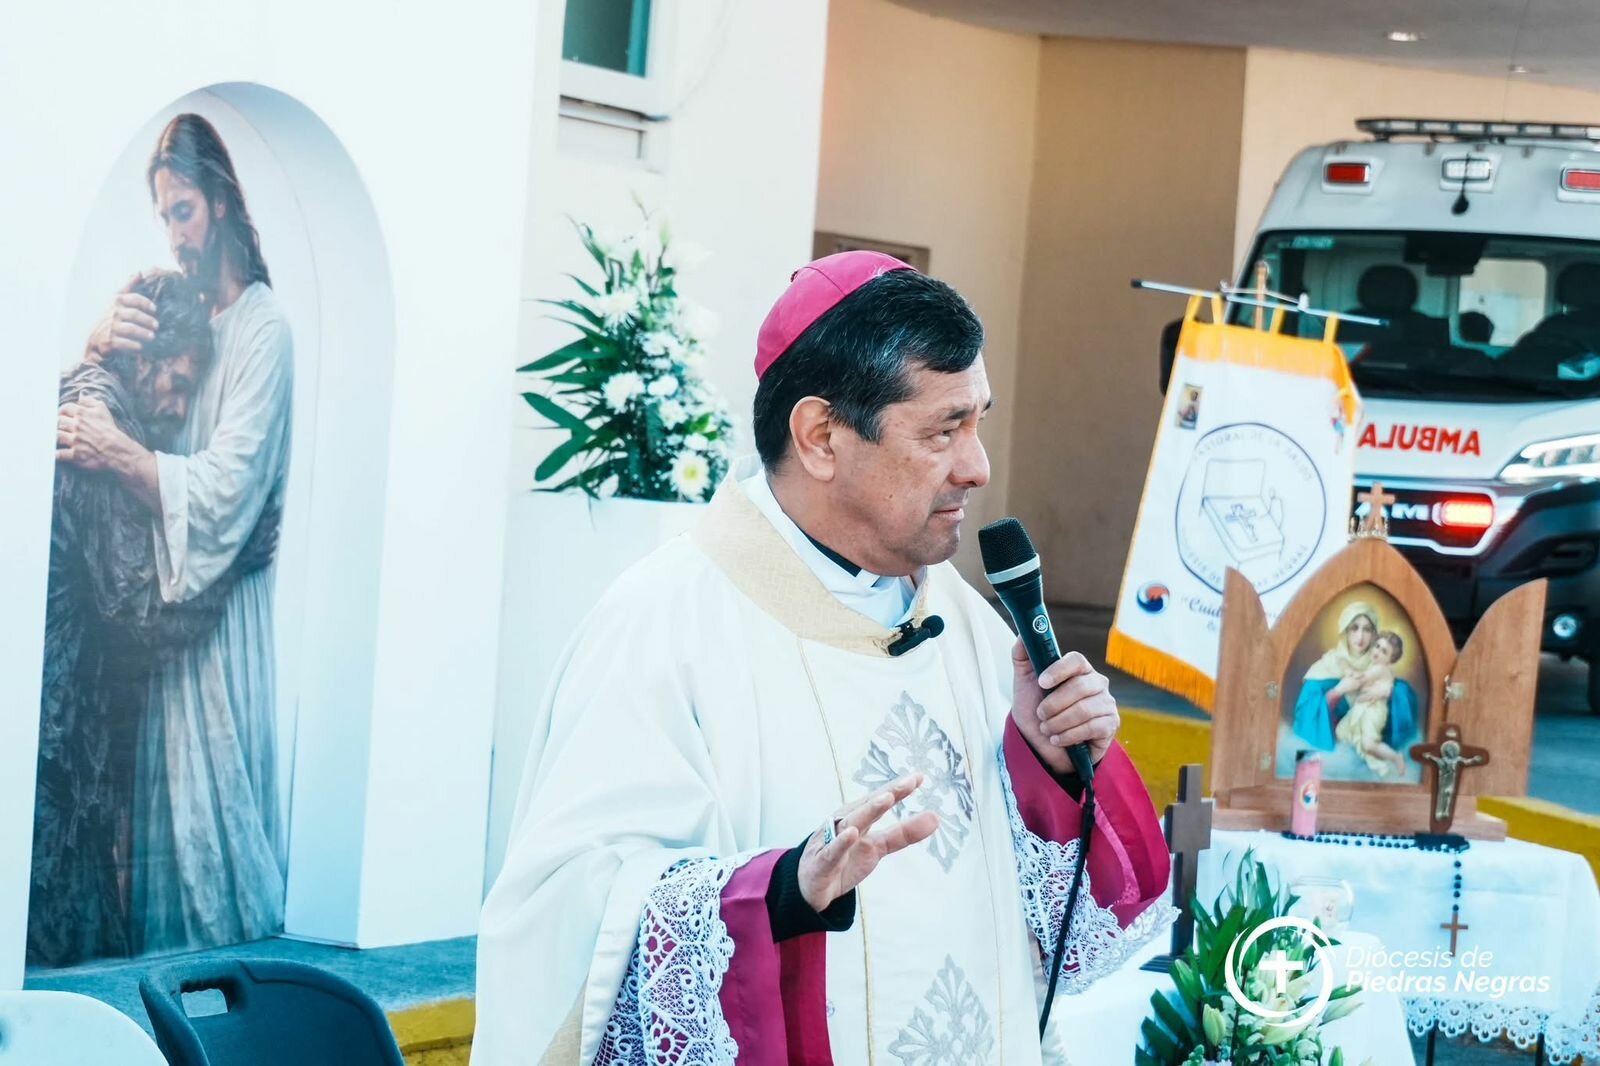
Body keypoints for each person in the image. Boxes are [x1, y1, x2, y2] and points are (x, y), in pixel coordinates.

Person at [475, 252, 1172, 1065]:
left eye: (978, 422)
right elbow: (567, 916)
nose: (977, 467)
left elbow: (1046, 927)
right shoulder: (663, 627)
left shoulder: (972, 624)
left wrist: (1047, 767)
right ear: (820, 437)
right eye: (943, 431)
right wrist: (779, 895)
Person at [56, 112, 293, 953]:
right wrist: (97, 342)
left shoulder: (263, 330)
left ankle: (240, 992)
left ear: (221, 202)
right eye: (164, 218)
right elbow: (108, 400)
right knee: (164, 842)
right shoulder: (183, 318)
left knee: (219, 848)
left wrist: (120, 454)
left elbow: (227, 487)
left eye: (184, 211)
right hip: (159, 613)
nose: (176, 235)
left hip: (216, 620)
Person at [35, 271, 270, 966]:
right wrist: (235, 559)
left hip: (67, 728)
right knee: (63, 959)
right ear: (142, 359)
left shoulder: (98, 405)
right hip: (60, 738)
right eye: (177, 382)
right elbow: (139, 608)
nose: (179, 406)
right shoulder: (97, 418)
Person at [1290, 601, 1418, 772]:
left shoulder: (1378, 663)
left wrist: (1389, 692)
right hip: (1330, 754)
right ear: (1345, 631)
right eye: (1354, 628)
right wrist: (1337, 692)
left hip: (1361, 755)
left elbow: (1404, 698)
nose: (1360, 636)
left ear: (1374, 633)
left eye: (1367, 629)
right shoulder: (1330, 662)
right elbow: (1305, 712)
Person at [1331, 631, 1409, 777]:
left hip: (1373, 712)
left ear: (1391, 659)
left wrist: (1346, 668)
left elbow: (1360, 679)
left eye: (1384, 651)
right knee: (1342, 732)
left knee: (1369, 744)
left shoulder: (1380, 669)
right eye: (1377, 646)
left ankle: (1395, 757)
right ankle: (1353, 764)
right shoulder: (1374, 665)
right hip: (1362, 708)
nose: (1377, 652)